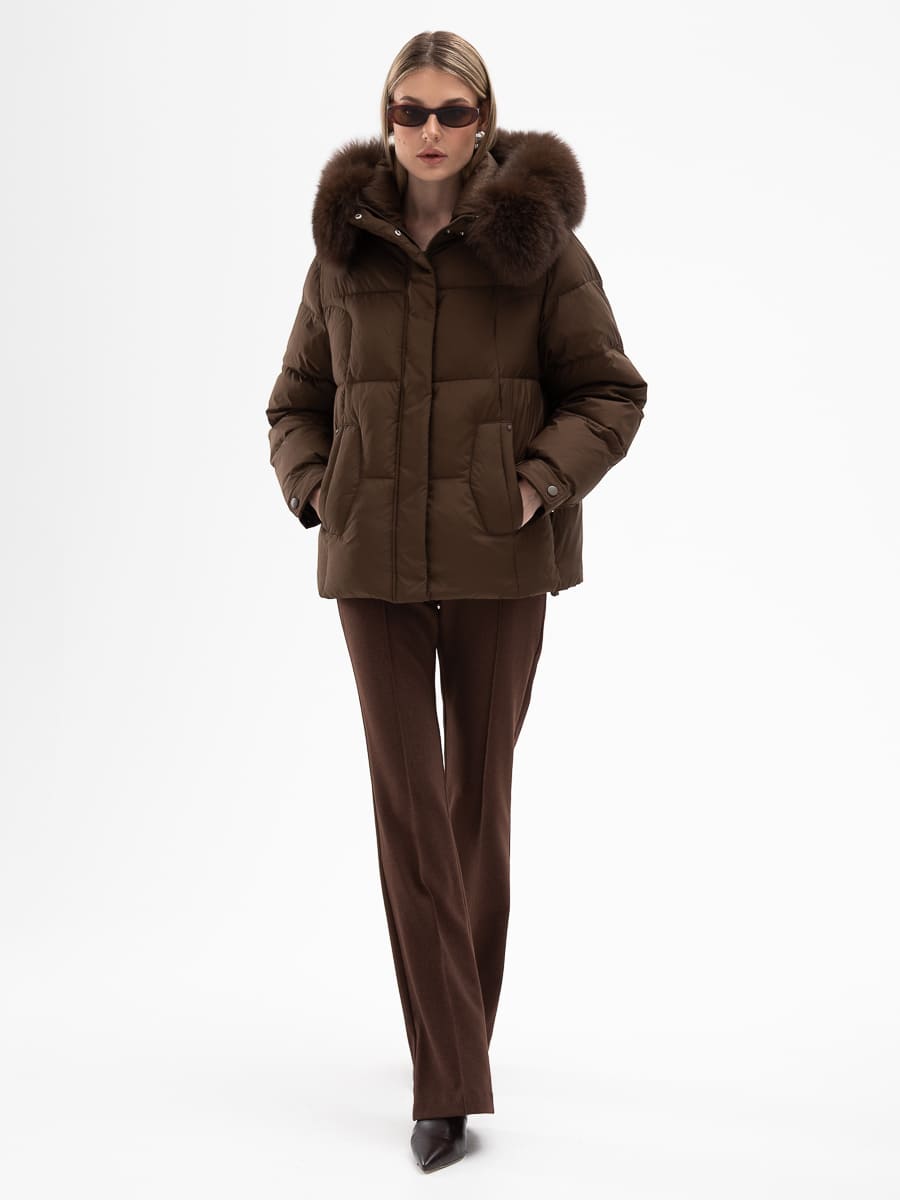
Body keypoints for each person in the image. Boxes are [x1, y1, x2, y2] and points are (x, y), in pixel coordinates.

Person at [265, 29, 648, 1174]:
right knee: (410, 803)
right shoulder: (345, 246)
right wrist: (319, 488)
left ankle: (451, 1032)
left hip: (499, 560)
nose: (430, 131)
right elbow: (294, 400)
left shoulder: (540, 246)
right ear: (386, 117)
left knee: (475, 795)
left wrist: (533, 486)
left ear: (484, 119)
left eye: (453, 112)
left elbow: (611, 391)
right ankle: (449, 1079)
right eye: (411, 110)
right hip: (374, 561)